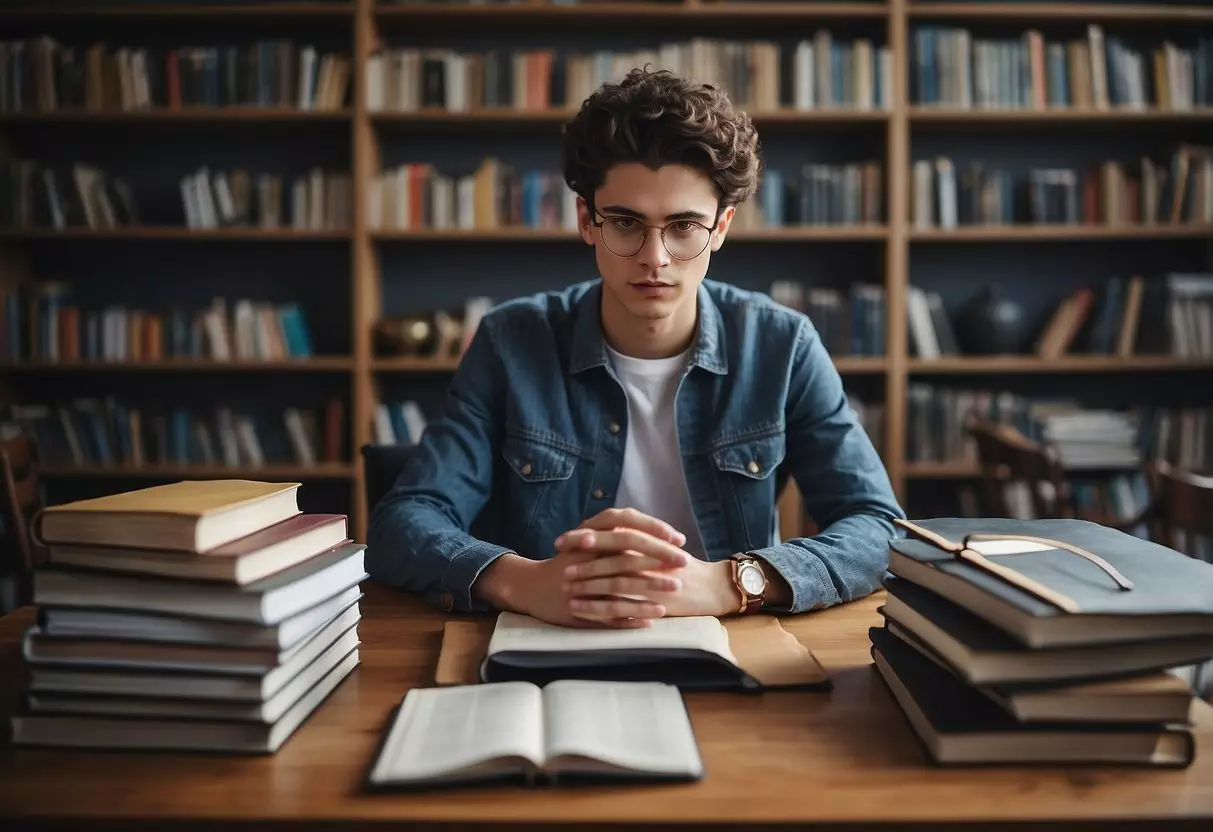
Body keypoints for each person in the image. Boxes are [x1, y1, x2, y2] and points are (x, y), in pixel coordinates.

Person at [367, 67, 905, 628]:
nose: (655, 257)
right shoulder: (510, 342)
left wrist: (731, 581)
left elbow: (877, 526)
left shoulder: (783, 345)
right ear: (586, 220)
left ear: (721, 227)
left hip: (727, 639)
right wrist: (526, 580)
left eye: (684, 226)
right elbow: (404, 520)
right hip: (547, 637)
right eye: (626, 223)